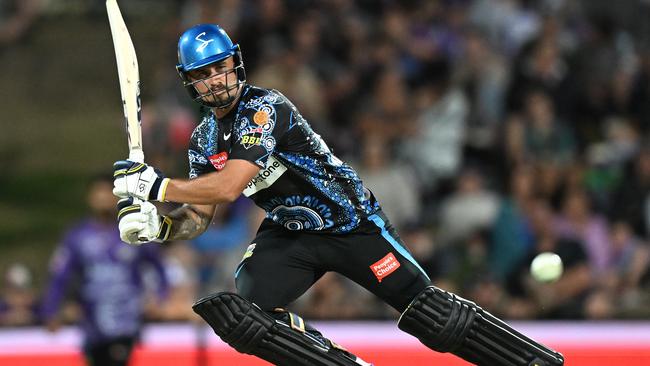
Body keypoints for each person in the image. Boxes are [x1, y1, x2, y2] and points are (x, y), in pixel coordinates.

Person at [112, 24, 564, 365]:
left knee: (432, 317)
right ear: (189, 82)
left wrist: (156, 186)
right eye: (202, 74)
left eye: (219, 67)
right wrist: (162, 225)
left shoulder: (264, 108)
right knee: (247, 312)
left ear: (235, 63)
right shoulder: (204, 140)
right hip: (291, 234)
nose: (215, 80)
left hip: (351, 223)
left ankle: (532, 362)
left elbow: (230, 185)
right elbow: (201, 212)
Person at [42, 176, 169, 366]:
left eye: (107, 193)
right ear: (90, 198)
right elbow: (60, 276)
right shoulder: (77, 236)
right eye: (97, 193)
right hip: (92, 322)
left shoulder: (134, 230)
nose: (102, 198)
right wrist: (51, 310)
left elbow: (159, 267)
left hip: (127, 320)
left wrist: (160, 298)